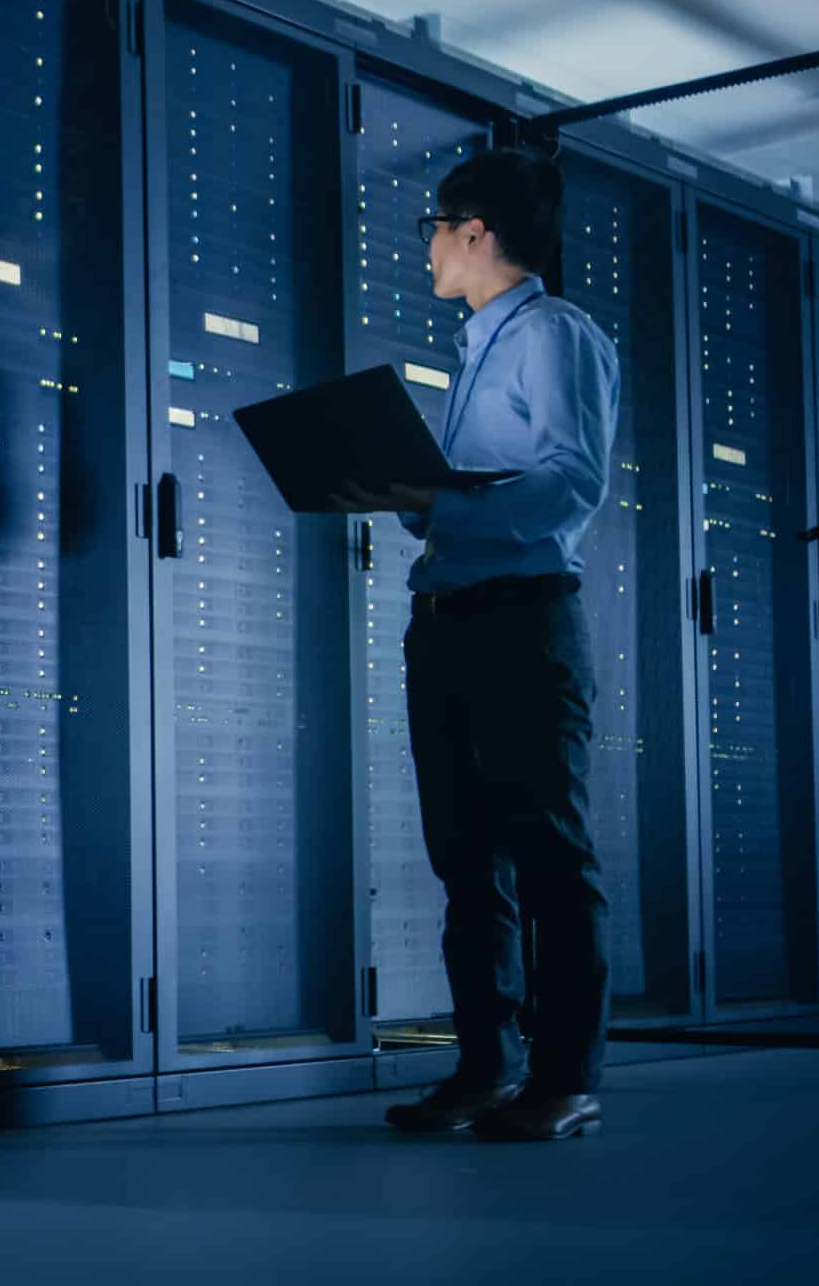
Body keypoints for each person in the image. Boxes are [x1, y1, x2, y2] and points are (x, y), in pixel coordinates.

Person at [328, 145, 620, 1142]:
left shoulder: (551, 334)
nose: (424, 253)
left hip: (519, 620)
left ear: (474, 233)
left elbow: (571, 480)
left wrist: (446, 506)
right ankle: (486, 1070)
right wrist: (415, 499)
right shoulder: (474, 355)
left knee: (546, 856)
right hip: (449, 622)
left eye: (431, 232)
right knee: (465, 861)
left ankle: (564, 1079)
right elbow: (469, 505)